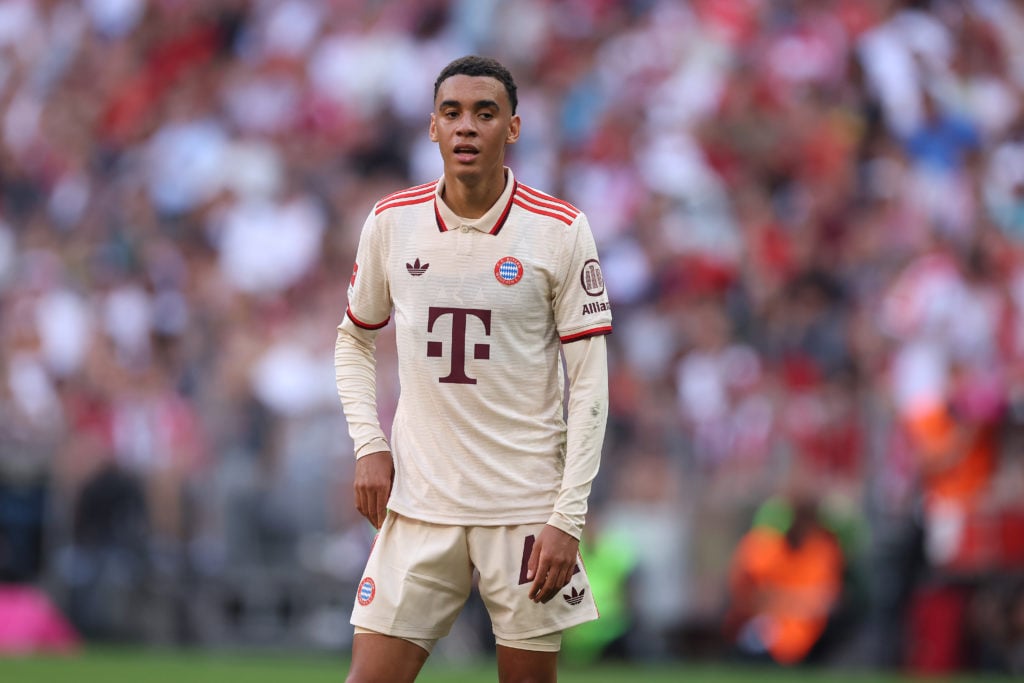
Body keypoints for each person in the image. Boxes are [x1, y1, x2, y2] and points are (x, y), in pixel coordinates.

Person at [334, 55, 612, 683]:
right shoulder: (391, 222)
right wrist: (368, 444)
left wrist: (566, 517)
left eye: (484, 113)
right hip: (420, 504)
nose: (466, 127)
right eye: (452, 113)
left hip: (523, 511)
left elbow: (590, 381)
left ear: (512, 128)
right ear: (432, 127)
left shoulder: (559, 230)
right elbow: (353, 340)